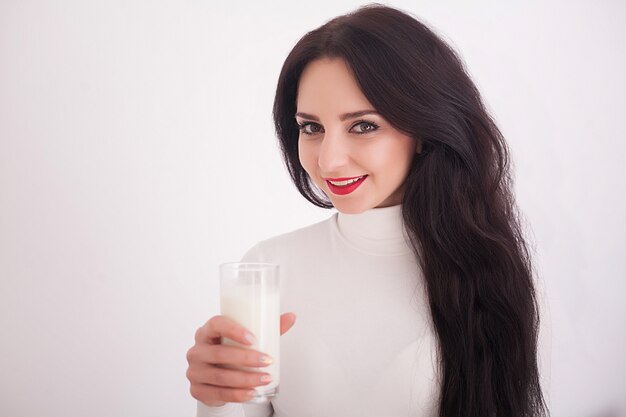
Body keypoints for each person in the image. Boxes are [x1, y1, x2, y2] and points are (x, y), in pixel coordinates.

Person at [186, 4, 551, 417]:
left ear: (423, 129)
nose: (329, 161)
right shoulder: (268, 268)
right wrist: (215, 397)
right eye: (312, 127)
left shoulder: (492, 272)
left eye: (363, 126)